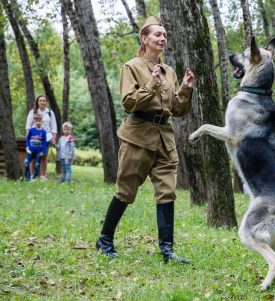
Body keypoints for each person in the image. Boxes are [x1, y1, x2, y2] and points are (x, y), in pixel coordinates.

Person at [95, 16, 195, 263]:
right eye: (157, 35)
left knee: (167, 193)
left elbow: (177, 109)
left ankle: (167, 250)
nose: (163, 38)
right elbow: (128, 102)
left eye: (165, 35)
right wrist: (151, 83)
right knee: (126, 191)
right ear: (144, 39)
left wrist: (185, 88)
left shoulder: (170, 71)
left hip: (164, 138)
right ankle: (105, 240)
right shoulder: (132, 67)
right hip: (137, 137)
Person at [25, 95, 57, 181]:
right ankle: (32, 176)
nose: (42, 102)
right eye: (40, 100)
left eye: (44, 100)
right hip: (34, 137)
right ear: (37, 102)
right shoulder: (32, 112)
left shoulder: (50, 112)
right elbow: (28, 126)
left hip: (46, 137)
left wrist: (54, 138)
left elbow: (54, 126)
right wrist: (28, 137)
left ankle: (43, 176)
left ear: (46, 102)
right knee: (33, 156)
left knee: (44, 156)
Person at [24, 114, 47, 181]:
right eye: (36, 121)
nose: (38, 122)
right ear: (34, 121)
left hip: (39, 151)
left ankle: (34, 178)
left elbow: (44, 142)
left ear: (42, 121)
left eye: (39, 121)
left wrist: (43, 151)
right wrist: (27, 146)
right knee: (26, 162)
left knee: (37, 165)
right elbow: (28, 139)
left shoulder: (43, 132)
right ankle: (27, 178)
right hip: (30, 150)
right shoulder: (31, 130)